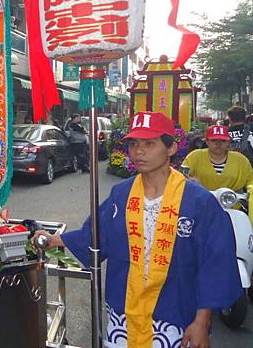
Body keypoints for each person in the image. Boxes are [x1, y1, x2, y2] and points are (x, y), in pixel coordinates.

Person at [34, 112, 241, 348]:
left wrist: (202, 322)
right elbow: (97, 232)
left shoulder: (199, 202)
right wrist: (54, 240)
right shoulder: (121, 194)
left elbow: (215, 264)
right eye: (134, 144)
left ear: (171, 148)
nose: (139, 151)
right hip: (125, 314)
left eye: (149, 144)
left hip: (175, 316)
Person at [182, 124, 253, 226]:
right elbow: (181, 176)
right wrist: (190, 182)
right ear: (207, 141)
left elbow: (250, 180)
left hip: (233, 209)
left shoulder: (241, 159)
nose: (218, 144)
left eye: (223, 141)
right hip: (201, 207)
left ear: (228, 142)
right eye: (214, 140)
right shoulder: (194, 156)